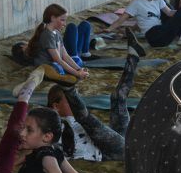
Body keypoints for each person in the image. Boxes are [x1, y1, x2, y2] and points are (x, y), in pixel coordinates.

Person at [47, 29, 144, 161]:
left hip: (111, 143)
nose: (76, 103)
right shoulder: (53, 123)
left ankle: (133, 58)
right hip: (110, 153)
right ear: (56, 106)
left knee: (117, 98)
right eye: (68, 101)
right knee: (85, 118)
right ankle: (69, 90)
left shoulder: (67, 120)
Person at [25, 4, 89, 79]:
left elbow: (65, 56)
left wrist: (79, 69)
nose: (65, 24)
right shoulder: (47, 35)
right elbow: (58, 60)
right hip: (50, 66)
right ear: (53, 18)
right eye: (62, 20)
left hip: (57, 63)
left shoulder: (56, 32)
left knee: (76, 61)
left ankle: (72, 69)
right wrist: (77, 74)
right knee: (58, 68)